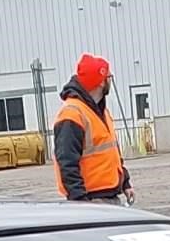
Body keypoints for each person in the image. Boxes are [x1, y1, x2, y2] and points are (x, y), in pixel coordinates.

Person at [51, 54, 131, 202]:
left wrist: (125, 182)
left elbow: (111, 155)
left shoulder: (100, 111)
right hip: (92, 200)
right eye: (109, 77)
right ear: (101, 82)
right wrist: (80, 201)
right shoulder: (72, 114)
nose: (110, 80)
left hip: (108, 196)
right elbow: (67, 163)